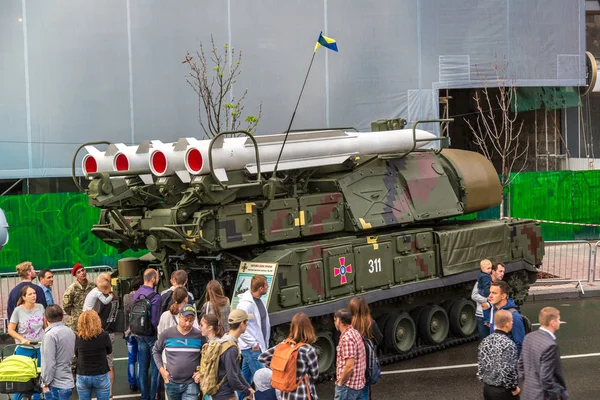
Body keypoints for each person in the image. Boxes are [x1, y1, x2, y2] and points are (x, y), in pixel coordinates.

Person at [259, 312, 319, 400]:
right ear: (309, 328)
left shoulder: (284, 344)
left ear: (292, 327)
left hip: (285, 394)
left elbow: (262, 357)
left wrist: (280, 369)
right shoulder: (308, 350)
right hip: (302, 394)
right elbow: (315, 375)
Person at [153, 304, 203, 400]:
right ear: (179, 316)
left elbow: (207, 356)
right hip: (171, 382)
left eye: (191, 320)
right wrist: (162, 370)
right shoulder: (167, 334)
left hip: (192, 382)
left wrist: (201, 371)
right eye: (185, 320)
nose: (188, 323)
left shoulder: (199, 335)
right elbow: (156, 351)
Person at [518, 307, 568, 400]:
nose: (559, 322)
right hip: (542, 396)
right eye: (558, 319)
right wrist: (555, 395)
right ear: (552, 323)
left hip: (528, 393)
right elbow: (546, 377)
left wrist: (526, 384)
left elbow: (520, 365)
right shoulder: (550, 345)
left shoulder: (529, 337)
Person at [205, 309, 254, 400]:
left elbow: (237, 372)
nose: (247, 324)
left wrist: (248, 388)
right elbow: (232, 378)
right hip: (225, 394)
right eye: (246, 321)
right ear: (242, 324)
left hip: (220, 393)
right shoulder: (231, 348)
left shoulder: (224, 340)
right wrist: (247, 392)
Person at [8, 285, 45, 400]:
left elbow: (45, 325)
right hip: (24, 349)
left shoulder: (40, 307)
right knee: (22, 378)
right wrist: (22, 339)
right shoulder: (18, 310)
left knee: (38, 379)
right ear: (24, 297)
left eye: (34, 293)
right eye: (30, 294)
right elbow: (10, 330)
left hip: (39, 347)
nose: (33, 295)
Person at [477, 310, 520, 399]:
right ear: (507, 324)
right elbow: (508, 371)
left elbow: (481, 365)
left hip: (487, 389)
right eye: (511, 321)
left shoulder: (485, 341)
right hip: (503, 392)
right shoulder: (508, 344)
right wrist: (514, 388)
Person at [237, 275, 271, 389]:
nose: (268, 287)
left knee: (245, 380)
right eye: (266, 285)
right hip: (252, 349)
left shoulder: (258, 300)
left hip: (257, 347)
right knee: (264, 382)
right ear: (261, 288)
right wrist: (254, 344)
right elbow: (239, 327)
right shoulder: (245, 305)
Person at [133, 268, 161, 400]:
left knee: (143, 367)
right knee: (155, 368)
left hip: (139, 334)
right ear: (153, 279)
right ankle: (154, 395)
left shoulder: (136, 294)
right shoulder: (155, 297)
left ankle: (144, 396)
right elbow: (155, 320)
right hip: (151, 335)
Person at [348, 296, 382, 400]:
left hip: (351, 364)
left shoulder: (349, 325)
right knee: (366, 392)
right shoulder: (370, 324)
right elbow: (379, 339)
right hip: (366, 365)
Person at [40, 305, 76, 400]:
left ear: (45, 318)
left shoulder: (50, 335)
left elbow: (49, 362)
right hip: (67, 381)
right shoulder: (69, 331)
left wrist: (45, 383)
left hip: (55, 385)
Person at [75, 310, 112, 400]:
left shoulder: (79, 337)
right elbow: (109, 350)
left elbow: (76, 354)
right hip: (100, 373)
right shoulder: (104, 335)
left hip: (83, 374)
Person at [334, 308, 366, 400]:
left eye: (335, 320)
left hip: (348, 386)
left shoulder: (347, 339)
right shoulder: (355, 333)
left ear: (339, 321)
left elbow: (349, 366)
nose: (335, 323)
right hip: (358, 383)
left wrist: (340, 383)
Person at [488, 281, 526, 355]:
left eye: (494, 293)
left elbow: (520, 344)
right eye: (490, 292)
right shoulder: (493, 310)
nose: (490, 296)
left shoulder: (514, 316)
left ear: (503, 296)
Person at [473, 262, 507, 339]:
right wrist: (486, 299)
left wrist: (489, 303)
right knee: (485, 341)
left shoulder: (501, 285)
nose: (502, 274)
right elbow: (474, 295)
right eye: (500, 271)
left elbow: (502, 299)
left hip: (496, 316)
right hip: (482, 316)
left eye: (503, 272)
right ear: (493, 271)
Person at [63, 263, 96, 333]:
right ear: (76, 275)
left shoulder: (93, 286)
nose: (82, 273)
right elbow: (66, 305)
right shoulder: (72, 289)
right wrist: (75, 314)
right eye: (79, 272)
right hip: (77, 322)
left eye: (83, 270)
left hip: (91, 320)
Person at [124, 276, 143, 392]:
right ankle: (141, 382)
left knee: (131, 359)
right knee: (141, 359)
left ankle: (132, 383)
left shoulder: (127, 298)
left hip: (130, 331)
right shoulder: (143, 296)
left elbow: (126, 315)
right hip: (141, 331)